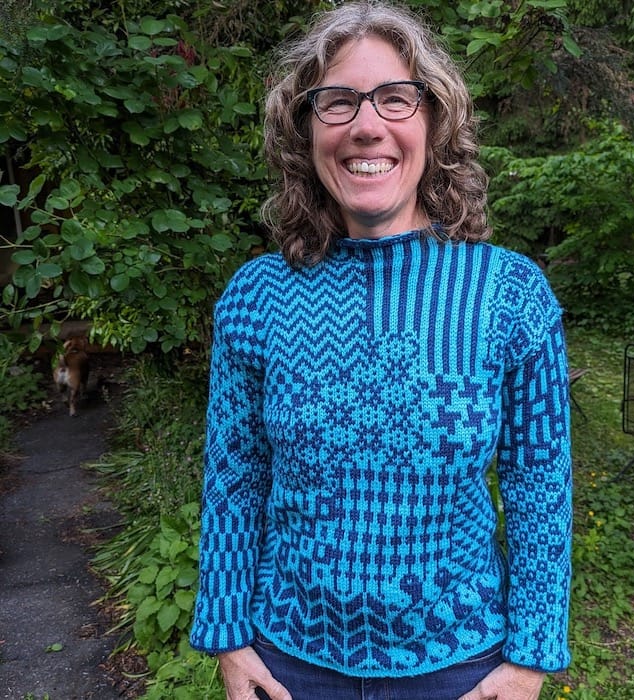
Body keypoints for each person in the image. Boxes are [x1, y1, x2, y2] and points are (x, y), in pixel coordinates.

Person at [190, 2, 572, 699]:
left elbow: (539, 486)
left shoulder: (510, 295)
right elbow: (234, 479)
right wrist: (227, 636)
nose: (368, 124)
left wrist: (530, 657)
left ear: (435, 121)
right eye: (336, 102)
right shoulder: (259, 296)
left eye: (396, 98)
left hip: (461, 669)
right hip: (287, 666)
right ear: (304, 130)